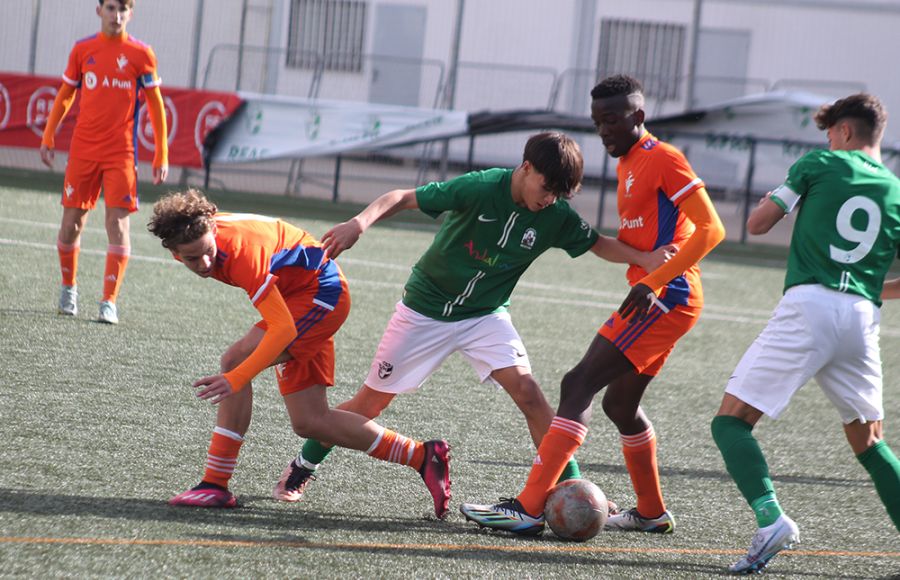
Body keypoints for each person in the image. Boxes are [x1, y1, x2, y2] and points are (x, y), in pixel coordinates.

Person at [271, 131, 676, 505]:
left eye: (559, 194)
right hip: (424, 310)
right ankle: (303, 467)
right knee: (369, 403)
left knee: (531, 394)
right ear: (526, 168)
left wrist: (644, 258)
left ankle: (572, 489)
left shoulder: (555, 217)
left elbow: (597, 243)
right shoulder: (481, 187)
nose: (550, 199)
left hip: (485, 316)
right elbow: (402, 196)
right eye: (546, 188)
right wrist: (359, 222)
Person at [460, 75, 725, 535]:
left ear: (637, 117)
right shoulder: (627, 164)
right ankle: (650, 512)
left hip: (666, 296)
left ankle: (526, 508)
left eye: (613, 120)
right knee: (620, 407)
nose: (604, 131)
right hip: (663, 295)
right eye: (597, 121)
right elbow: (639, 238)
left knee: (578, 382)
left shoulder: (664, 159)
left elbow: (711, 229)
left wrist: (654, 279)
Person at [146, 189, 451, 517]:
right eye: (191, 258)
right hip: (300, 295)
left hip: (321, 295)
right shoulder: (191, 233)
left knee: (235, 361)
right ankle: (422, 456)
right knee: (310, 422)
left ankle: (215, 484)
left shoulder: (241, 253)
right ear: (173, 250)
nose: (204, 263)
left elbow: (284, 331)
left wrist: (236, 378)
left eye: (207, 251)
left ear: (214, 230)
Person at [710, 93, 900, 573]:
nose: (828, 141)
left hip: (809, 307)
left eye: (830, 133)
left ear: (845, 132)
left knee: (730, 421)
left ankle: (771, 518)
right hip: (861, 316)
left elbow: (757, 223)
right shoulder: (896, 193)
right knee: (871, 441)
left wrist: (769, 203)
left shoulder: (818, 164)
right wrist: (868, 290)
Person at [41, 0, 169, 325]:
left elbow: (155, 105)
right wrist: (48, 134)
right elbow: (66, 94)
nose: (117, 15)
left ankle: (108, 301)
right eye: (111, 8)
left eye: (123, 9)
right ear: (99, 11)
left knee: (118, 225)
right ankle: (68, 288)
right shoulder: (83, 49)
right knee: (71, 225)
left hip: (121, 154)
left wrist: (162, 152)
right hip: (83, 151)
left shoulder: (142, 54)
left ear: (131, 13)